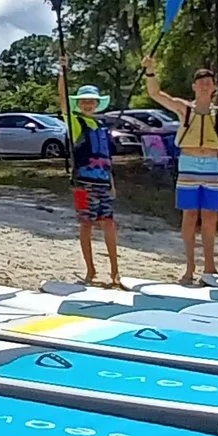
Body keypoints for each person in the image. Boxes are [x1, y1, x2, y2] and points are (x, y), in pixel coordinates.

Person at [142, 57, 218, 284]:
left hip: (211, 164)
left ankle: (210, 266)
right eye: (201, 82)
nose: (205, 86)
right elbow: (157, 95)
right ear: (194, 87)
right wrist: (150, 71)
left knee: (210, 216)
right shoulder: (184, 109)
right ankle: (190, 267)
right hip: (189, 163)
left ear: (214, 88)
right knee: (190, 215)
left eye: (209, 82)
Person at [61, 73, 123, 288]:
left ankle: (115, 271)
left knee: (109, 224)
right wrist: (62, 73)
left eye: (91, 101)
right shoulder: (76, 122)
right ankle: (90, 270)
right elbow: (62, 103)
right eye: (84, 101)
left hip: (103, 182)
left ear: (97, 103)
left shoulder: (103, 127)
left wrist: (112, 183)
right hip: (83, 184)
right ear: (79, 104)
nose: (88, 104)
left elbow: (108, 159)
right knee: (86, 224)